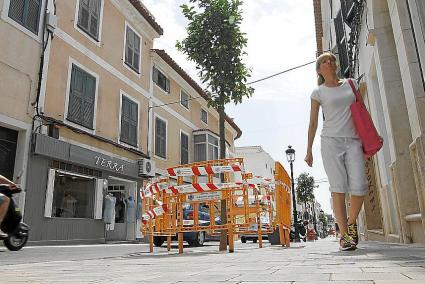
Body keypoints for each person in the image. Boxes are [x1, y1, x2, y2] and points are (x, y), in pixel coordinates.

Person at [305, 52, 368, 251]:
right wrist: (309, 150)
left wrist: (371, 134)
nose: (329, 62)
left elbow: (363, 110)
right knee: (338, 188)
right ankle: (344, 236)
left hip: (353, 141)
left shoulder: (351, 84)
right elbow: (313, 122)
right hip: (330, 141)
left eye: (332, 59)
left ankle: (350, 223)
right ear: (319, 70)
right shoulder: (318, 92)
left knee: (360, 186)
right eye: (324, 60)